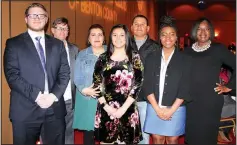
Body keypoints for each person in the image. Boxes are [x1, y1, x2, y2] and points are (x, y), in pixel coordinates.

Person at [3, 3, 70, 145]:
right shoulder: (13, 44)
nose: (37, 18)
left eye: (41, 15)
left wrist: (53, 96)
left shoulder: (58, 45)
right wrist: (37, 96)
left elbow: (64, 73)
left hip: (54, 108)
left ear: (46, 20)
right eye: (33, 15)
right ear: (26, 19)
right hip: (25, 109)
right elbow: (12, 75)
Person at [184, 17, 236, 145]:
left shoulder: (218, 49)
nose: (203, 32)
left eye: (206, 29)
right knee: (192, 137)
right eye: (199, 29)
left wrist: (229, 86)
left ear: (211, 31)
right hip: (191, 102)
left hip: (210, 102)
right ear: (194, 31)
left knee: (207, 137)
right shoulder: (186, 51)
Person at [142, 15, 192, 144]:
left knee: (172, 139)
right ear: (160, 37)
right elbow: (147, 84)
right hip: (154, 106)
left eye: (172, 34)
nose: (168, 38)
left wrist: (171, 110)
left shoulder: (185, 59)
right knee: (157, 138)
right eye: (164, 34)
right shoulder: (151, 57)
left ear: (176, 37)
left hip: (176, 107)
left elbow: (185, 87)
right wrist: (157, 109)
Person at [93, 24, 143, 144]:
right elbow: (96, 83)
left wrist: (123, 109)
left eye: (122, 35)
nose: (118, 38)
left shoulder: (134, 57)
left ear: (127, 37)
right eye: (115, 35)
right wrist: (107, 107)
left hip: (128, 108)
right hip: (106, 109)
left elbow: (138, 83)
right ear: (111, 37)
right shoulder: (103, 58)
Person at [73, 24, 106, 145]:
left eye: (100, 34)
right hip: (88, 99)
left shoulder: (112, 52)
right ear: (88, 38)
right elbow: (77, 77)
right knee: (89, 135)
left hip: (109, 100)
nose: (97, 37)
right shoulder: (82, 54)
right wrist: (85, 90)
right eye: (93, 35)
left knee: (107, 133)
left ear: (104, 37)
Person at [130, 14, 159, 144]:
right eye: (136, 24)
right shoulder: (124, 44)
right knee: (126, 132)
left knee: (143, 134)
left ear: (148, 28)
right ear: (131, 27)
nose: (139, 26)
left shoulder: (155, 47)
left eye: (142, 24)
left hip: (145, 97)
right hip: (125, 96)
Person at [51, 17, 79, 144]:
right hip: (52, 100)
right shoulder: (46, 49)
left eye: (66, 29)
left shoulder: (74, 50)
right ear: (52, 30)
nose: (63, 31)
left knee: (69, 133)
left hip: (70, 100)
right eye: (60, 28)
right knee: (51, 134)